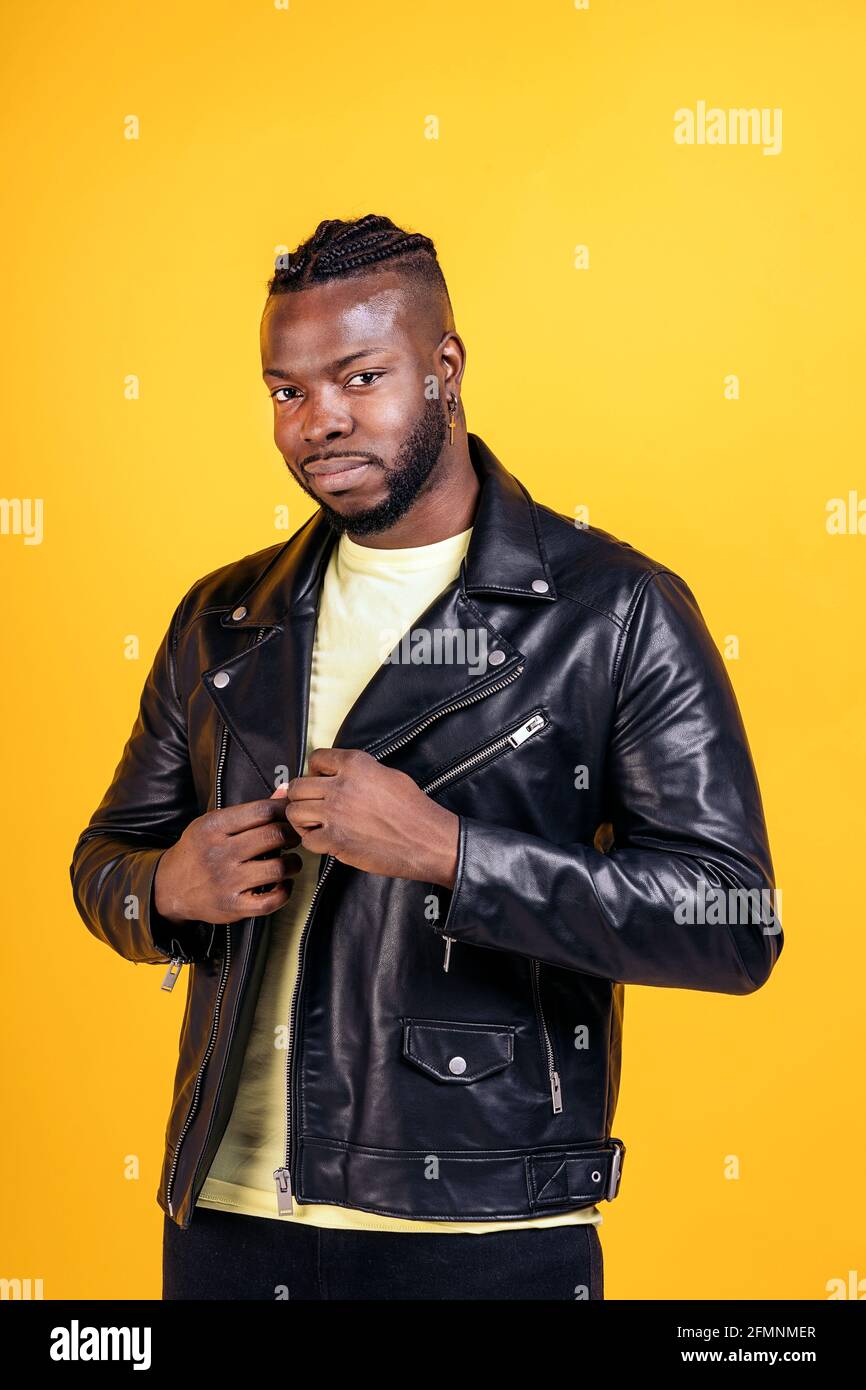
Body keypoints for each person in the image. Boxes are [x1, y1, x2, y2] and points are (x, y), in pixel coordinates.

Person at [70, 213, 783, 1301]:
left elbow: (731, 918)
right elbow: (106, 856)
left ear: (444, 366)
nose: (321, 421)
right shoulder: (224, 615)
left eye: (360, 375)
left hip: (480, 1225)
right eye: (286, 391)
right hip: (221, 1217)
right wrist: (159, 889)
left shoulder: (613, 611)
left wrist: (451, 853)